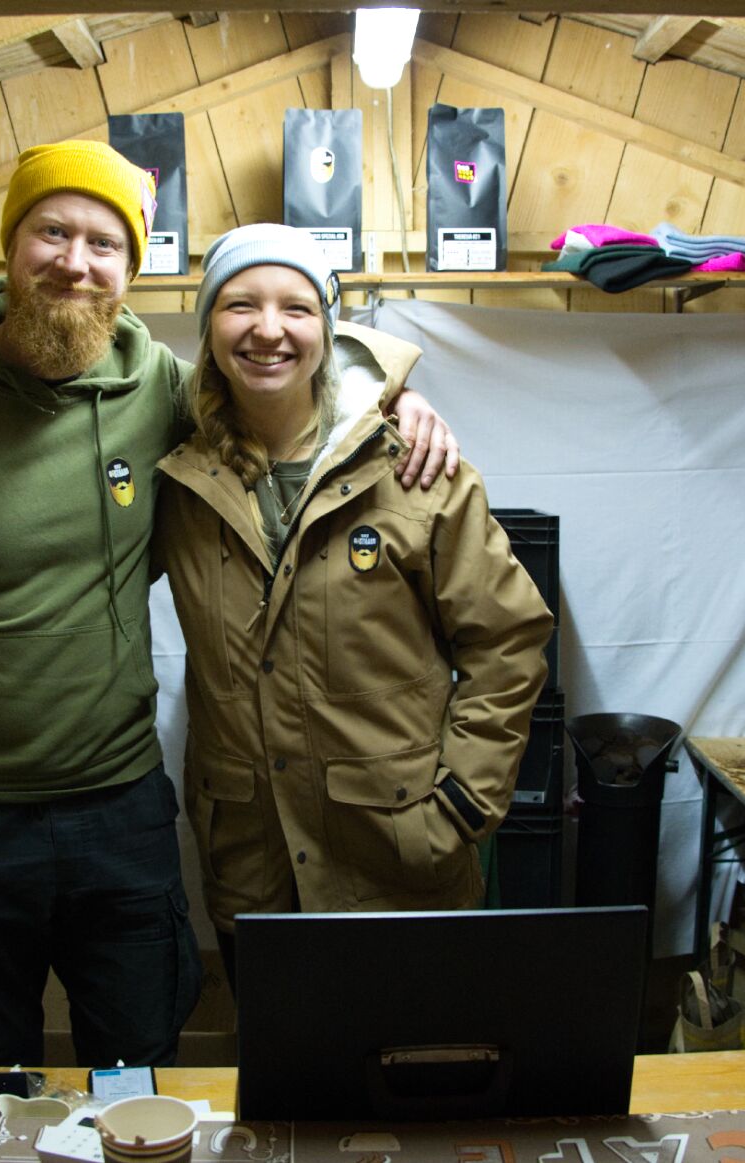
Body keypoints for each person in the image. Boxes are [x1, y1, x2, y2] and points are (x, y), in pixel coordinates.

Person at [0, 143, 457, 1068]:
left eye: (104, 244)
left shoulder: (160, 391)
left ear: (130, 270)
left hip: (119, 803)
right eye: (52, 232)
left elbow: (279, 369)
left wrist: (397, 389)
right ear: (11, 245)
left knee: (138, 1058)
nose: (76, 262)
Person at [154, 225, 554, 985]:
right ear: (207, 327)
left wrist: (464, 803)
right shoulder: (178, 475)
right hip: (255, 867)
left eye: (296, 307)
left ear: (328, 328)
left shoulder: (412, 468)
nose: (268, 328)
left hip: (399, 859)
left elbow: (508, 641)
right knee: (278, 1057)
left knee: (413, 1052)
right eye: (240, 304)